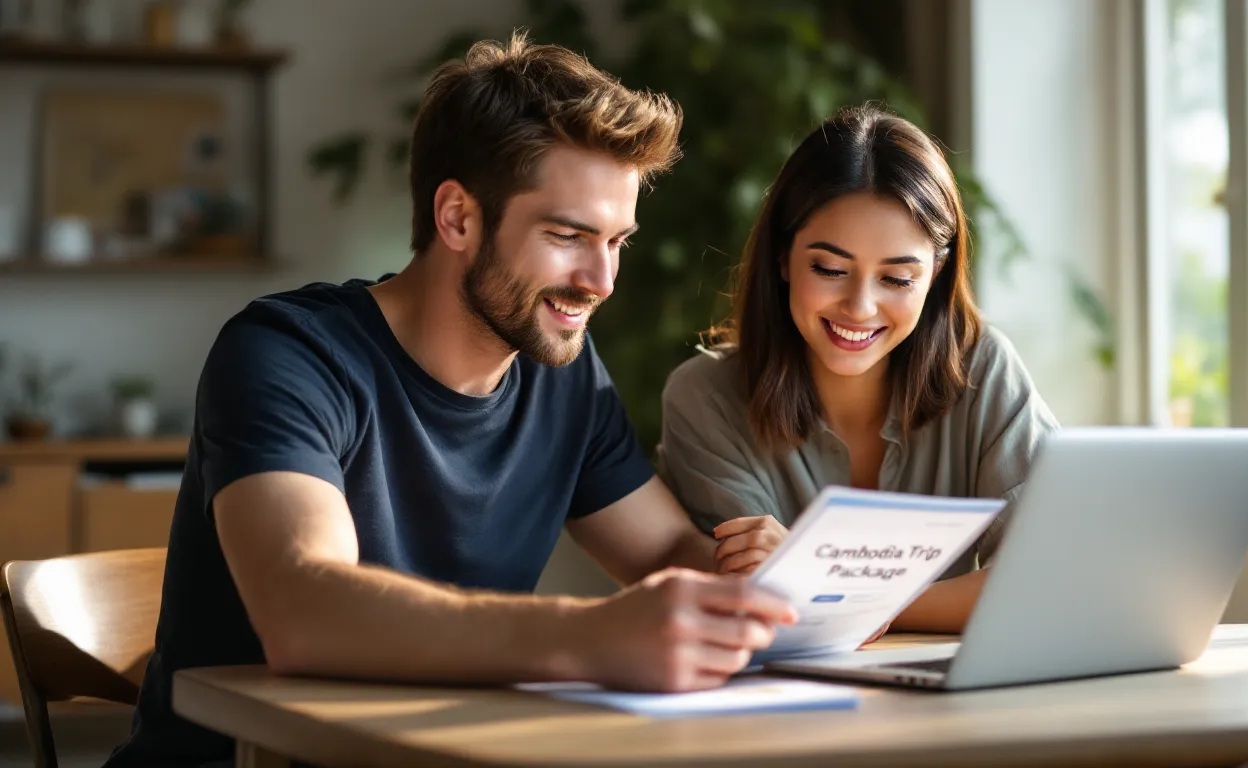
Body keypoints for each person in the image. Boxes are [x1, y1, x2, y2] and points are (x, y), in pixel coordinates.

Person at [105, 34, 796, 768]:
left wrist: (760, 581)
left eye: (617, 241)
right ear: (458, 217)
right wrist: (591, 635)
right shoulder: (288, 354)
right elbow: (305, 610)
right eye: (568, 235)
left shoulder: (561, 373)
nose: (602, 281)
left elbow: (666, 554)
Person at [659, 104, 1059, 636]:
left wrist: (842, 591)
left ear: (936, 275)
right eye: (829, 269)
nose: (860, 307)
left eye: (897, 279)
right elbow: (757, 599)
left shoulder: (985, 369)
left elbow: (1050, 579)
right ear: (783, 257)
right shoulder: (705, 398)